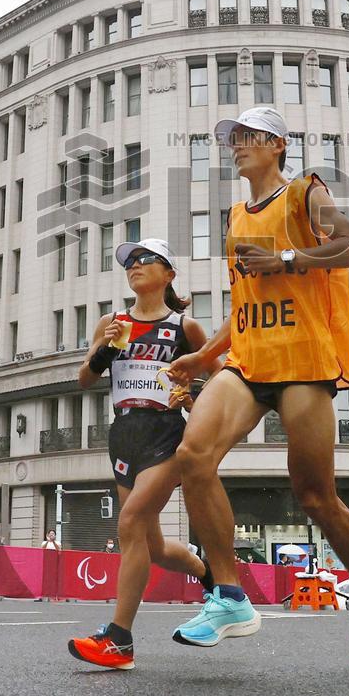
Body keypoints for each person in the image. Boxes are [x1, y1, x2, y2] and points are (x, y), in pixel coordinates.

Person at [167, 107, 349, 670]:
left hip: (303, 360)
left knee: (315, 495)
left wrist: (288, 258)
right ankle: (228, 596)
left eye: (248, 138)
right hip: (249, 358)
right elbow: (246, 301)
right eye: (233, 139)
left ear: (276, 144)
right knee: (192, 457)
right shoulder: (236, 214)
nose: (237, 146)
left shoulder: (304, 194)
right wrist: (204, 354)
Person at [67, 238, 214, 671]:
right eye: (129, 261)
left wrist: (193, 396)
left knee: (129, 524)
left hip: (166, 435)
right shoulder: (112, 322)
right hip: (124, 435)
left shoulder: (185, 329)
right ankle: (208, 574)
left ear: (168, 273)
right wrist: (106, 350)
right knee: (148, 545)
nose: (134, 266)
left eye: (144, 259)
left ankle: (119, 641)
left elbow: (221, 380)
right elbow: (83, 379)